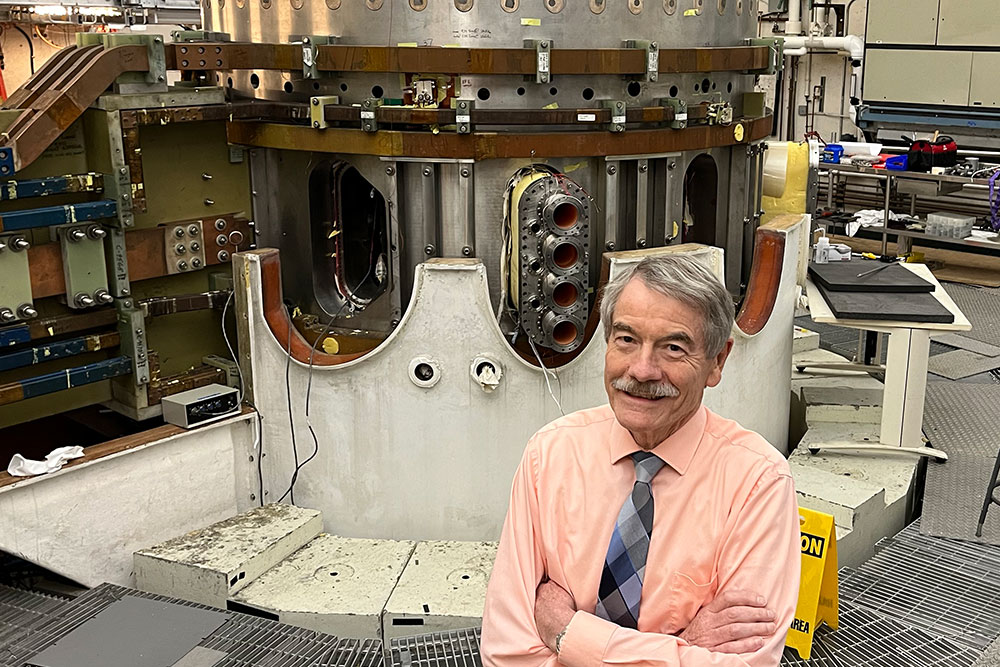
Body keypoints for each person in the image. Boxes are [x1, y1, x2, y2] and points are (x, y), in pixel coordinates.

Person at [481, 254, 800, 666]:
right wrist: (682, 646)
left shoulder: (758, 482)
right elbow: (506, 654)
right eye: (627, 340)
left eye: (673, 348)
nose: (643, 370)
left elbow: (746, 663)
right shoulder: (551, 455)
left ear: (717, 362)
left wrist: (566, 632)